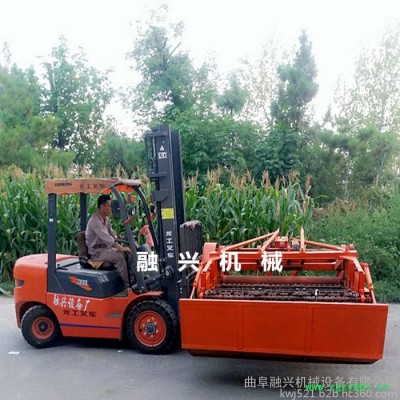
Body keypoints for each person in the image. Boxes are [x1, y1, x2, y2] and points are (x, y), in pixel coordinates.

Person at [85, 194, 132, 287]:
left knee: (128, 253)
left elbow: (111, 233)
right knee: (119, 258)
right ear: (102, 206)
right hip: (97, 252)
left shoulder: (106, 219)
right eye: (109, 206)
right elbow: (108, 238)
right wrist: (121, 247)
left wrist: (117, 237)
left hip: (106, 249)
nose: (111, 209)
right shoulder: (95, 220)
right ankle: (128, 285)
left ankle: (132, 278)